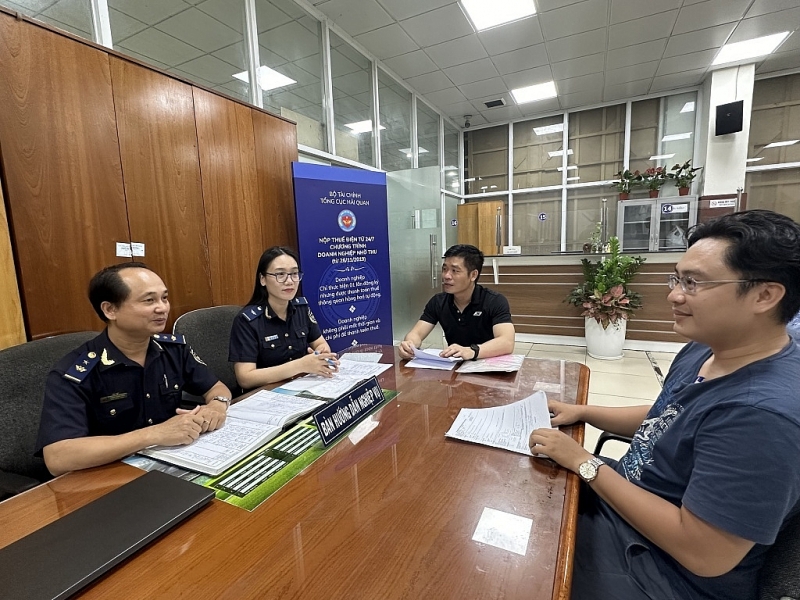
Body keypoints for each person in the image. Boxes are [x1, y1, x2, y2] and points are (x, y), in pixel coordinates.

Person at [529, 210, 800, 600]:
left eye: (693, 283)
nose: (674, 295)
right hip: (625, 506)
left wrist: (584, 463)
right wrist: (584, 413)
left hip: (662, 572)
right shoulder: (705, 349)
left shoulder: (763, 416)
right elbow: (668, 417)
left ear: (765, 295)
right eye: (677, 278)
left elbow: (704, 553)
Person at [36, 262, 233, 476]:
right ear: (110, 310)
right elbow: (58, 458)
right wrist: (154, 434)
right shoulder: (75, 372)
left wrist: (217, 406)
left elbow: (217, 388)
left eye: (164, 298)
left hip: (175, 462)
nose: (162, 308)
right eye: (149, 300)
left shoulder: (173, 349)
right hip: (109, 476)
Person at [229, 246, 338, 390]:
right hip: (265, 396)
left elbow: (320, 343)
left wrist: (321, 354)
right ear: (263, 279)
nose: (289, 281)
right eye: (280, 274)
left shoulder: (301, 308)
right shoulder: (247, 320)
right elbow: (245, 378)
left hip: (302, 386)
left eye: (294, 274)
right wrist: (299, 366)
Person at [398, 244, 515, 361]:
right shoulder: (438, 302)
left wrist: (471, 351)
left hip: (488, 364)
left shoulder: (494, 301)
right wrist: (409, 344)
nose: (446, 276)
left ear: (473, 275)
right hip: (454, 365)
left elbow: (506, 342)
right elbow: (417, 333)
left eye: (455, 271)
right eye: (444, 269)